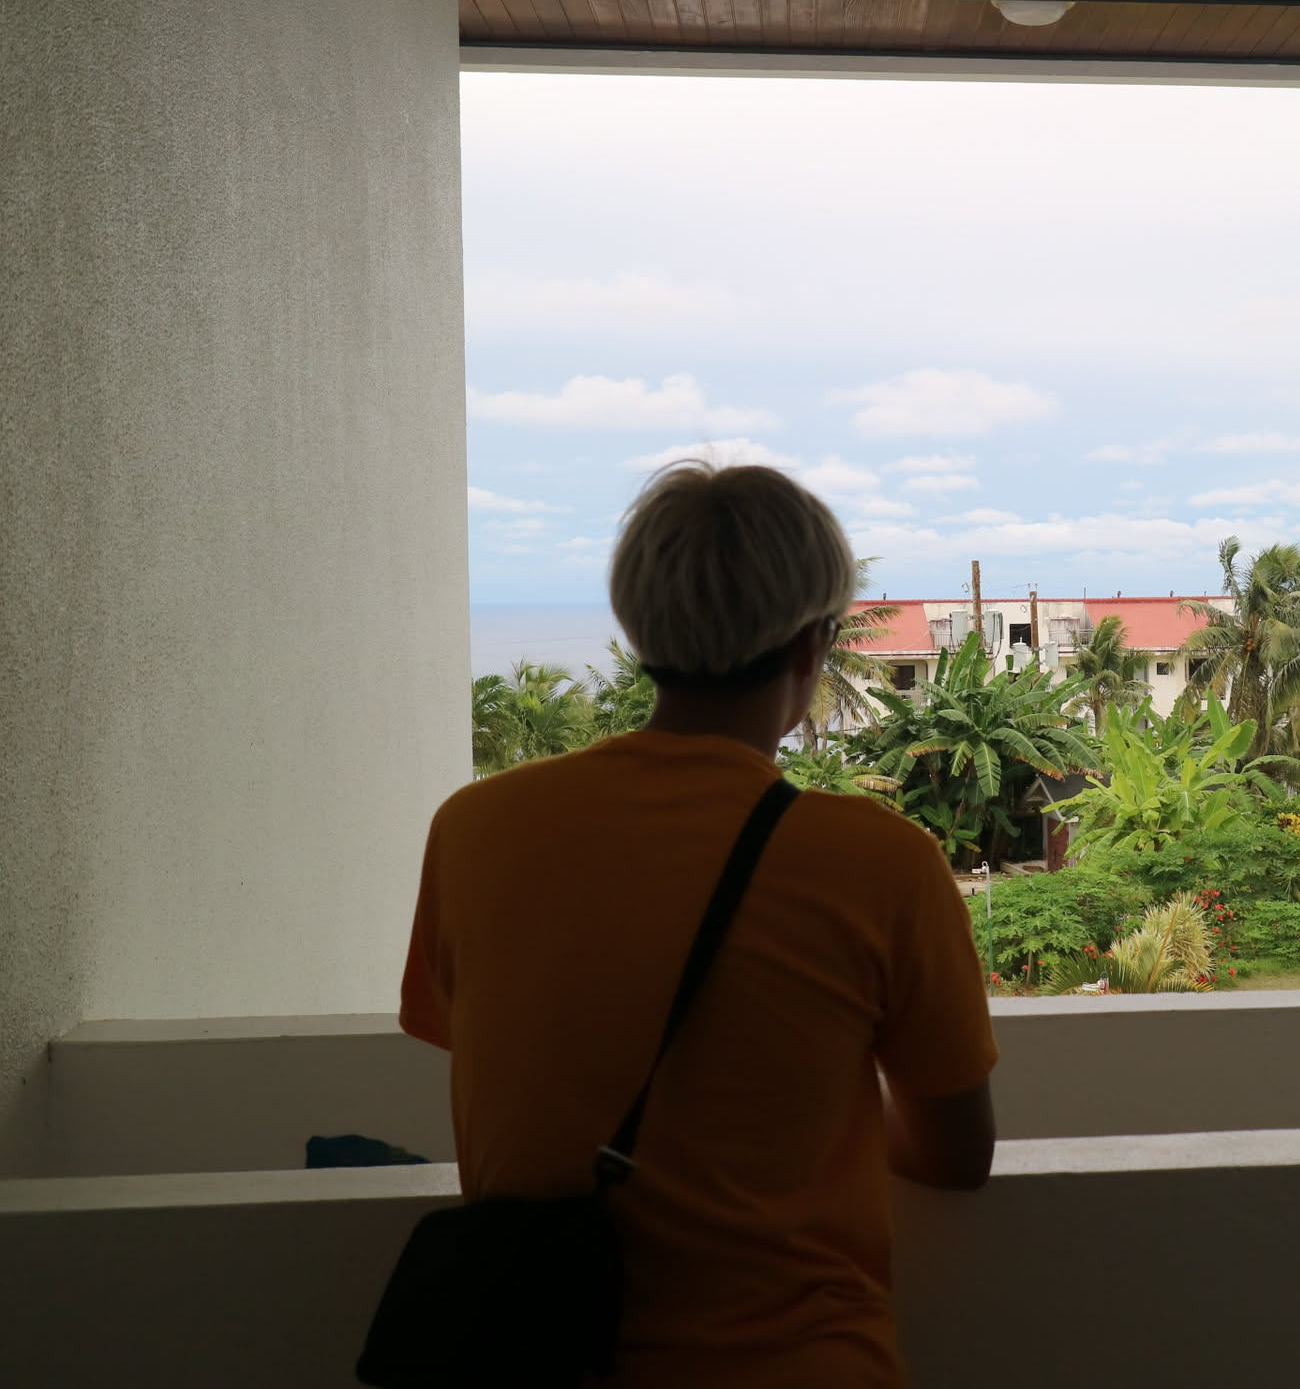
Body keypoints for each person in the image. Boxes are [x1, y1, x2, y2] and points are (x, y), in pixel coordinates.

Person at [400, 462, 996, 1387]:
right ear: (813, 646)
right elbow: (958, 1154)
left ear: (639, 627)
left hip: (532, 1356)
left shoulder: (474, 830)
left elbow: (510, 1055)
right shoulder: (882, 862)